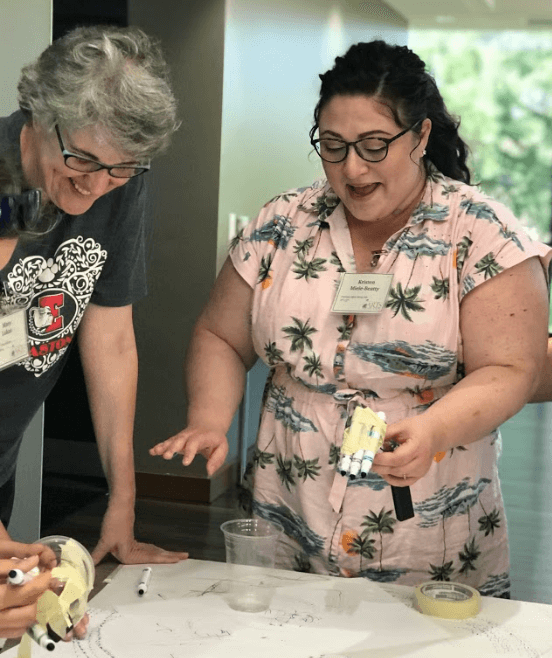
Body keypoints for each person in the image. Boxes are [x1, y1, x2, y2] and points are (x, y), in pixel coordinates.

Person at [150, 41, 550, 596]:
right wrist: (210, 417)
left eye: (373, 145)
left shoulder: (481, 233)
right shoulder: (282, 222)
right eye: (333, 146)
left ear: (422, 137)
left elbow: (511, 368)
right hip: (287, 500)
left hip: (422, 512)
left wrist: (432, 430)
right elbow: (222, 333)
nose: (352, 168)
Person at [0, 25, 188, 565]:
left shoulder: (115, 177)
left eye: (122, 169)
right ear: (38, 113)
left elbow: (110, 338)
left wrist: (122, 502)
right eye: (81, 160)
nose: (96, 186)